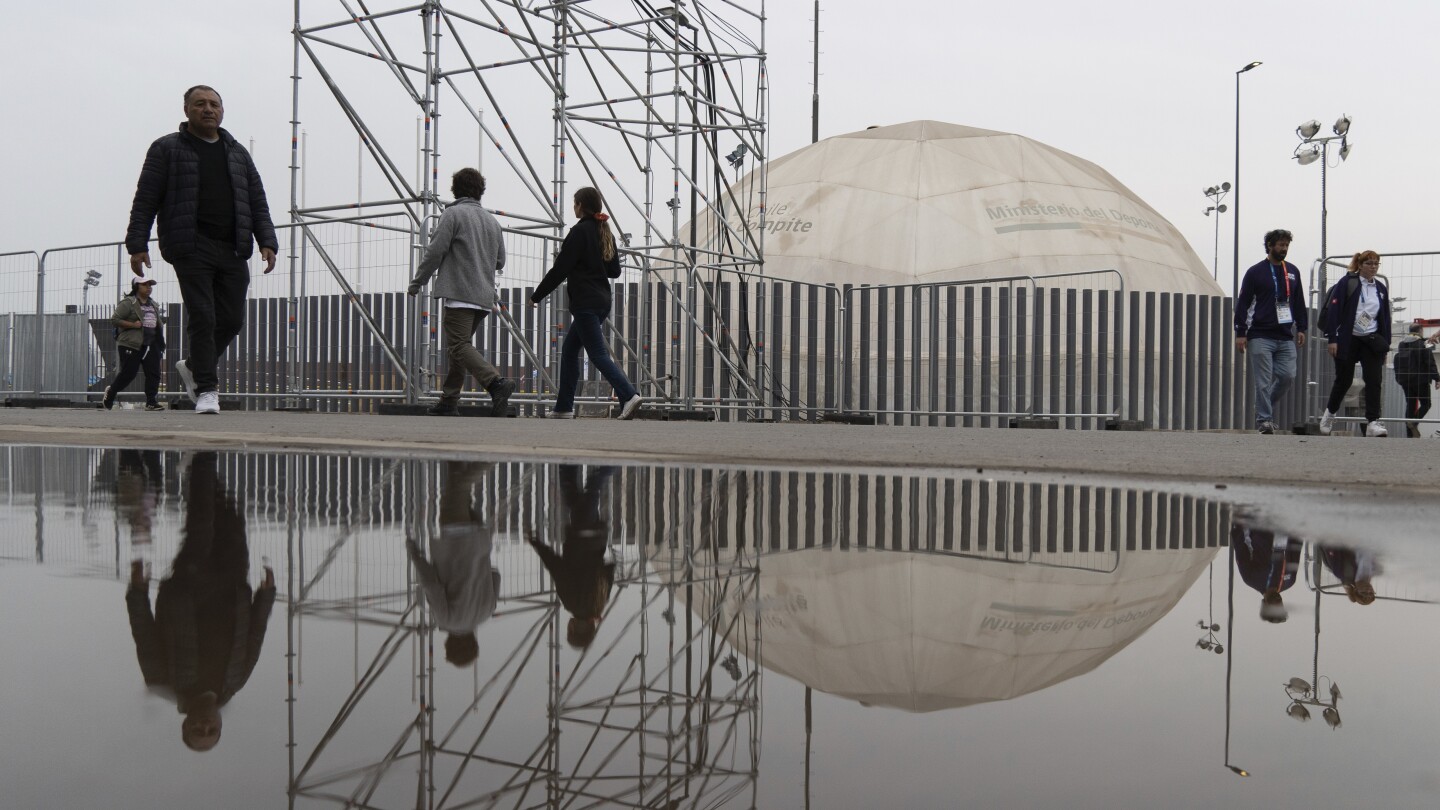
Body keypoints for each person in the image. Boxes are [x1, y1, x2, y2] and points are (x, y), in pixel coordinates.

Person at [125, 85, 278, 415]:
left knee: (232, 319)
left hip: (234, 247)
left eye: (214, 104)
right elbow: (146, 198)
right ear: (186, 110)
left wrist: (267, 240)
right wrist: (137, 243)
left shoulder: (237, 153)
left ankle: (194, 365)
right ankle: (207, 389)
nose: (208, 109)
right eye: (200, 104)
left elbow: (257, 201)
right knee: (203, 315)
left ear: (222, 111)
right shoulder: (166, 149)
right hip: (190, 245)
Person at [126, 451, 275, 751]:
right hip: (232, 584)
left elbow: (144, 634)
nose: (204, 725)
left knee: (203, 524)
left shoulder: (162, 681)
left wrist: (138, 589)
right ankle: (198, 471)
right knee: (231, 520)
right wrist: (266, 595)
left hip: (188, 588)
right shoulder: (234, 682)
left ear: (185, 724)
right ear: (219, 725)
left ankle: (203, 458)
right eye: (210, 731)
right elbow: (255, 637)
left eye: (198, 730)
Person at [407, 168, 516, 417]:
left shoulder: (452, 214)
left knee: (458, 346)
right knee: (460, 347)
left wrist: (417, 282)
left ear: (455, 189)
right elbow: (500, 261)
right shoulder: (492, 222)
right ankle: (449, 400)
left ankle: (496, 383)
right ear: (481, 190)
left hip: (459, 293)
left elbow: (436, 251)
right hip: (484, 297)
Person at [529, 187, 643, 420]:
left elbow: (561, 269)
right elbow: (615, 271)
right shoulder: (604, 232)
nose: (574, 207)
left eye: (575, 203)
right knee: (570, 351)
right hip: (602, 301)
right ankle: (563, 408)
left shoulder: (579, 232)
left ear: (581, 205)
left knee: (597, 354)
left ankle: (629, 395)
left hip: (585, 302)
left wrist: (537, 295)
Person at [404, 461, 501, 667]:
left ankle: (456, 449)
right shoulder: (445, 619)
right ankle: (492, 458)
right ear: (449, 645)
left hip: (480, 540)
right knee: (458, 488)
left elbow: (495, 575)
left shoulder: (486, 612)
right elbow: (431, 585)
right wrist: (413, 551)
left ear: (474, 642)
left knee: (458, 486)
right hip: (455, 539)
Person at [529, 465, 618, 649]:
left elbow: (609, 570)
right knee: (594, 483)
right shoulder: (572, 603)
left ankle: (568, 462)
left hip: (596, 536)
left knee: (571, 491)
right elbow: (556, 567)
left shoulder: (599, 603)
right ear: (572, 629)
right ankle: (615, 463)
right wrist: (536, 543)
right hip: (579, 534)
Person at [1234, 229, 1307, 434]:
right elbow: (1243, 304)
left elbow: (1299, 301)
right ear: (1269, 246)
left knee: (1287, 376)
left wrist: (1302, 327)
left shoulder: (1292, 271)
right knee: (1263, 380)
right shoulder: (1255, 272)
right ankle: (1264, 420)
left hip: (1285, 335)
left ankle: (1262, 406)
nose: (1284, 249)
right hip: (1260, 334)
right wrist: (1241, 332)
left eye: (1286, 245)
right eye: (1280, 245)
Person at [1317, 251, 1392, 437]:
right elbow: (1335, 310)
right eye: (1369, 263)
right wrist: (1332, 339)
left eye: (1376, 263)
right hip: (1348, 338)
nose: (1373, 267)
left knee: (1374, 381)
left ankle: (1373, 422)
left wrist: (1385, 346)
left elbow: (1385, 318)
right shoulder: (1347, 283)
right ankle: (1330, 413)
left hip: (1371, 339)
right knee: (1344, 380)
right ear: (1359, 264)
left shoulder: (1381, 289)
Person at [104, 276, 168, 411]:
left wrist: (160, 342)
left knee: (154, 373)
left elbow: (158, 324)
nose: (149, 287)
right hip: (131, 344)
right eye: (145, 284)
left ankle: (151, 402)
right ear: (136, 287)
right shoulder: (128, 303)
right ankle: (111, 393)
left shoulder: (153, 304)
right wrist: (133, 324)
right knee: (129, 374)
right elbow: (115, 319)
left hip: (152, 344)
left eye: (150, 285)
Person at [1230, 522, 1302, 624]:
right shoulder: (1290, 581)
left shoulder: (1251, 579)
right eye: (1281, 607)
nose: (1278, 603)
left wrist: (1239, 522)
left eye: (1274, 607)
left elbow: (1240, 546)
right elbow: (1296, 547)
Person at [1391, 323, 1439, 438]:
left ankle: (1409, 435)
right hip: (1420, 380)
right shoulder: (1424, 343)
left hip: (1405, 380)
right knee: (1426, 404)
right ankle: (1414, 422)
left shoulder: (1402, 344)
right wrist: (1437, 378)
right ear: (1421, 330)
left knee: (1410, 405)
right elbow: (1430, 362)